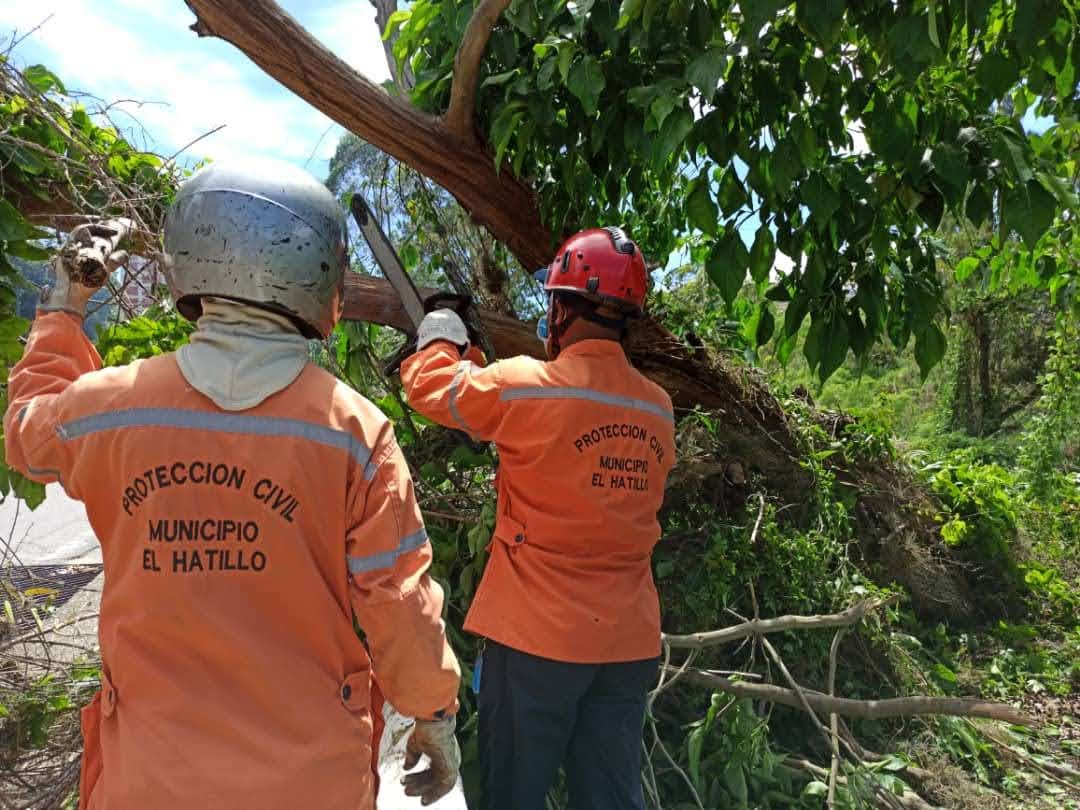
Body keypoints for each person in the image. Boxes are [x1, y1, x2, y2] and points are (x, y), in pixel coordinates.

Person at [3, 160, 461, 810]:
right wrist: (433, 715)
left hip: (149, 780)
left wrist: (63, 307)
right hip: (311, 783)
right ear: (321, 278)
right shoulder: (355, 431)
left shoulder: (111, 407)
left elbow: (24, 434)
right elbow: (399, 603)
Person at [401, 227, 676, 810]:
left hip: (536, 644)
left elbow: (428, 389)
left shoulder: (526, 387)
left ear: (560, 306)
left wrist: (442, 337)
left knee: (512, 795)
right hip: (627, 645)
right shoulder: (657, 409)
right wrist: (477, 363)